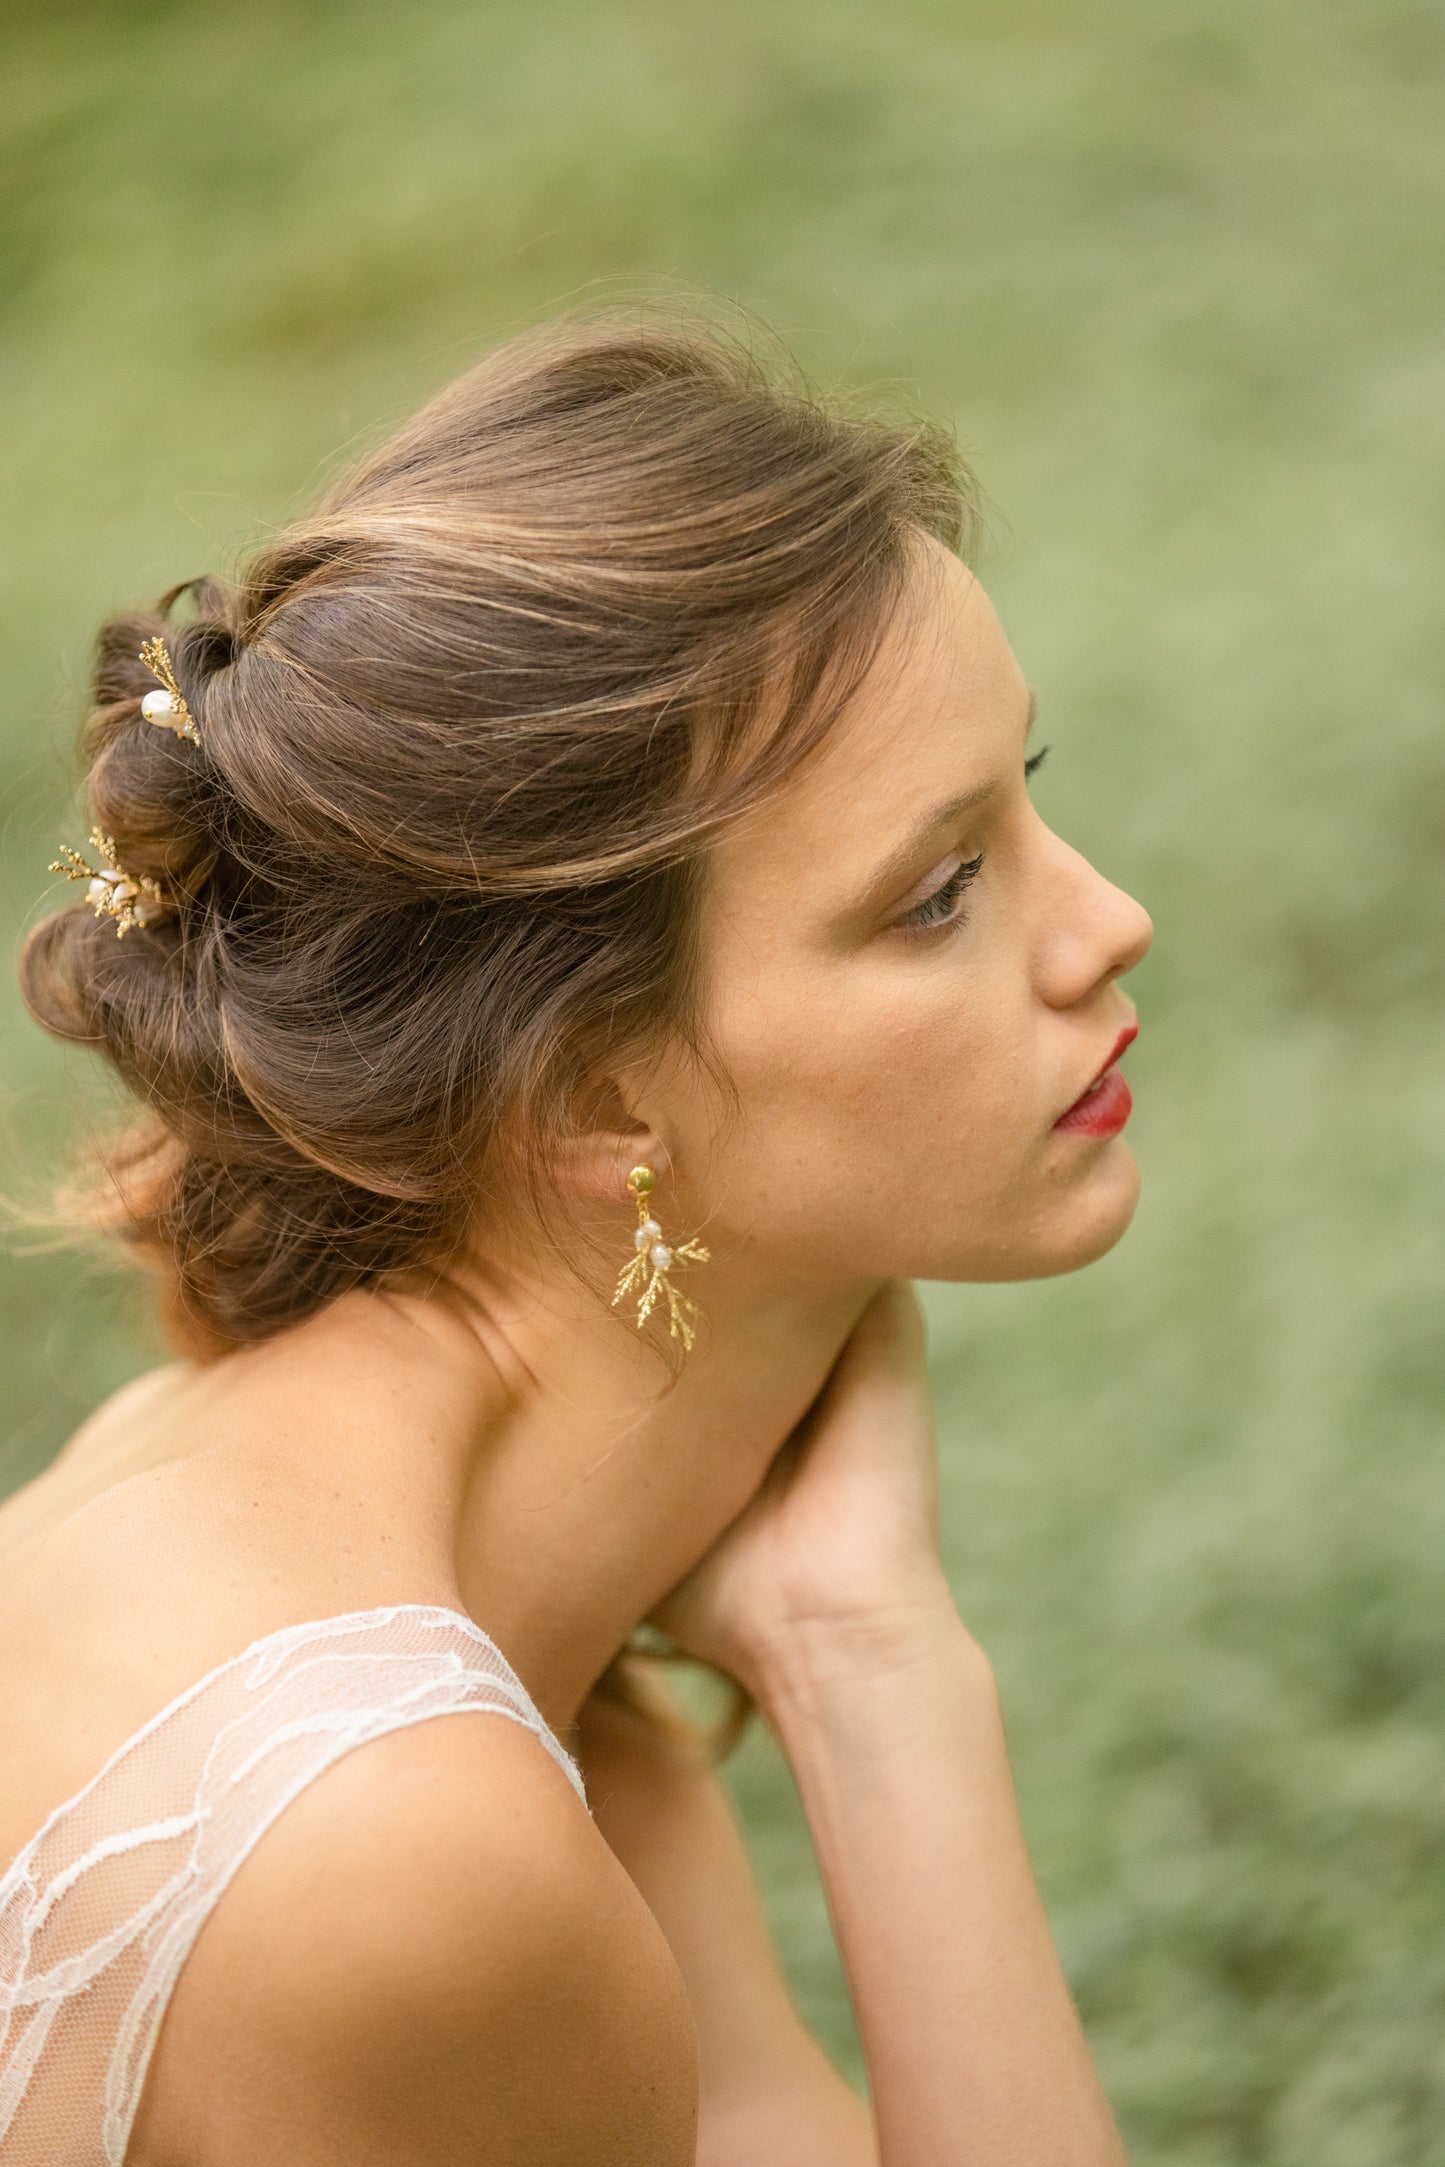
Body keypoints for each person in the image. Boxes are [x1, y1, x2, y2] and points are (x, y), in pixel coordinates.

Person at [0, 314, 1151, 2166]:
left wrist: (860, 1644)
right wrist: (884, 1688)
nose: (1110, 920)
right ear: (592, 1102)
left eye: (1031, 792)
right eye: (937, 893)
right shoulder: (397, 1844)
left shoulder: (404, 1582)